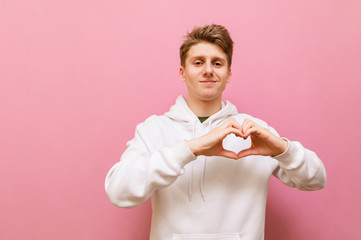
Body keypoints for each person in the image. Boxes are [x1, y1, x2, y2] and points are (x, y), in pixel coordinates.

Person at [105, 24, 326, 240]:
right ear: (183, 72)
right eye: (198, 62)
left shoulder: (253, 131)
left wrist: (282, 150)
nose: (208, 70)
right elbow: (118, 192)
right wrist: (191, 149)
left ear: (228, 74)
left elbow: (316, 179)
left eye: (217, 63)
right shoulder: (153, 130)